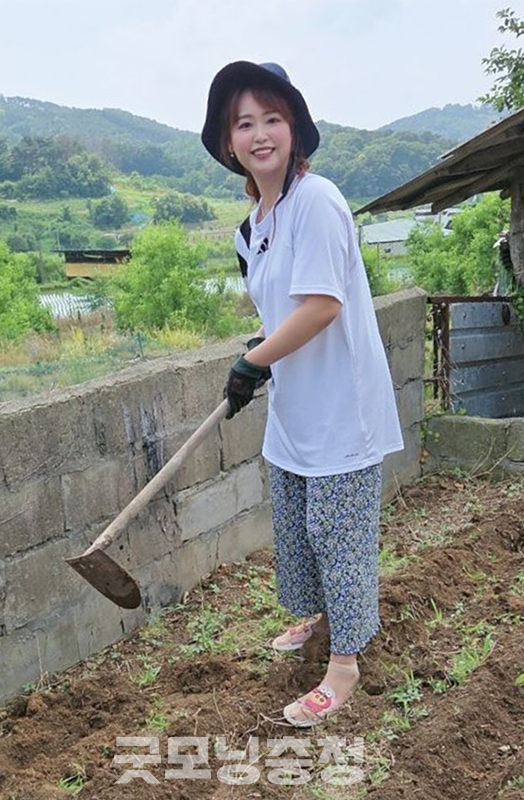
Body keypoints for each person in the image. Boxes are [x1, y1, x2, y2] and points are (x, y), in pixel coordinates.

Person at [201, 61, 403, 727]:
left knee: (335, 533)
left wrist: (253, 362)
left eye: (273, 119)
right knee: (293, 526)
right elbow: (281, 306)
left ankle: (343, 667)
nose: (260, 133)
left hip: (340, 406)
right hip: (295, 404)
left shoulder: (318, 201)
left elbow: (320, 306)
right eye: (244, 123)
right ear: (227, 141)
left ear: (295, 130)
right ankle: (315, 619)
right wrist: (258, 352)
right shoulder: (251, 225)